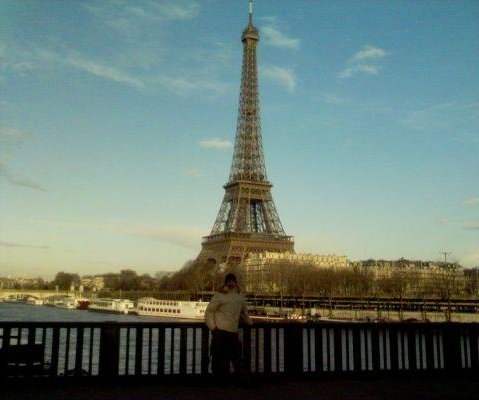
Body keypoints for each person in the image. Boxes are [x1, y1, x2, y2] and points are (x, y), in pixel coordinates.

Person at [205, 273, 252, 377]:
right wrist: (213, 328)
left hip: (232, 331)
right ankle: (225, 380)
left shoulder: (239, 296)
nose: (231, 283)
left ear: (235, 282)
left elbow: (244, 312)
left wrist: (249, 321)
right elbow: (209, 312)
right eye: (229, 281)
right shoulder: (220, 295)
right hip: (220, 331)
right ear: (226, 282)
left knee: (232, 357)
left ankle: (227, 379)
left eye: (232, 280)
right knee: (223, 358)